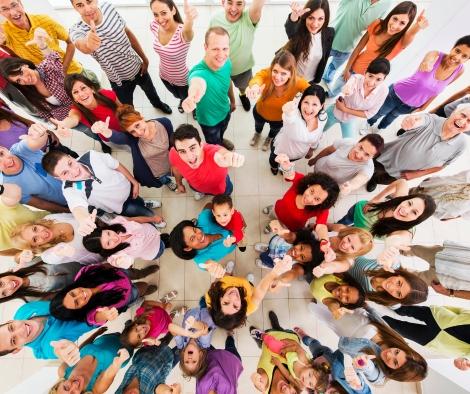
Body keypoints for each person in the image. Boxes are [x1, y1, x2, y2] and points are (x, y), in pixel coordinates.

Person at [69, 0, 171, 113]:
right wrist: (88, 44)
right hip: (118, 81)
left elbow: (127, 32)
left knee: (151, 91)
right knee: (128, 110)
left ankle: (158, 104)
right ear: (74, 8)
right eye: (80, 5)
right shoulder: (77, 30)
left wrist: (144, 59)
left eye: (89, 1)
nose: (88, 9)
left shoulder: (108, 8)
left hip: (137, 67)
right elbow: (81, 45)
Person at [41, 148, 160, 236]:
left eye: (70, 163)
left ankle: (144, 203)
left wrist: (134, 182)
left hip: (128, 189)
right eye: (65, 173)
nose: (74, 171)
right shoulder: (70, 190)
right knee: (141, 212)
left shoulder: (92, 156)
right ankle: (152, 218)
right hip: (122, 206)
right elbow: (76, 207)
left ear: (71, 157)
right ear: (59, 178)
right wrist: (83, 220)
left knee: (138, 200)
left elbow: (117, 165)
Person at [367, 36, 469, 132]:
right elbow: (428, 58)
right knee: (380, 112)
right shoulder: (436, 55)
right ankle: (369, 124)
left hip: (412, 106)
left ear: (467, 60)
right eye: (457, 51)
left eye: (464, 56)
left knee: (391, 117)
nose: (457, 57)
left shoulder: (459, 71)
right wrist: (426, 62)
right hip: (396, 94)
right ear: (453, 48)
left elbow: (438, 90)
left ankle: (379, 129)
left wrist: (425, 106)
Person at [329, 1, 428, 97]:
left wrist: (417, 26)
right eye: (395, 19)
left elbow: (411, 33)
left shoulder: (402, 41)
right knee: (334, 90)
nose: (395, 25)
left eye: (402, 23)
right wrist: (347, 68)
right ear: (391, 15)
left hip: (367, 80)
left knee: (347, 100)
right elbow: (359, 47)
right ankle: (329, 95)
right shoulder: (377, 24)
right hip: (353, 68)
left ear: (407, 25)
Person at [366, 107, 470, 192]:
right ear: (454, 112)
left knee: (381, 179)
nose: (463, 121)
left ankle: (374, 181)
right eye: (463, 115)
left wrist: (417, 174)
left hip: (400, 174)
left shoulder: (462, 144)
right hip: (385, 158)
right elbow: (420, 119)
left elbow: (443, 165)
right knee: (368, 169)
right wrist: (412, 120)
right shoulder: (432, 120)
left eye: (469, 121)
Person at [0, 28, 73, 121]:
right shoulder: (29, 92)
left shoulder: (47, 68)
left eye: (21, 72)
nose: (25, 80)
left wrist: (42, 45)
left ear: (24, 64)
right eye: (19, 80)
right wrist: (58, 125)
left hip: (82, 109)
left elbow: (52, 59)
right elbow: (45, 114)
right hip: (66, 122)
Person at [49, 264, 157, 326]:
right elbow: (96, 317)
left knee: (136, 273)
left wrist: (117, 263)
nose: (81, 295)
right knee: (143, 287)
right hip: (128, 295)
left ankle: (143, 272)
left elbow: (105, 266)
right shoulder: (90, 313)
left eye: (73, 293)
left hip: (121, 273)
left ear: (69, 289)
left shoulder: (84, 273)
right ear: (79, 310)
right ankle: (146, 290)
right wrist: (106, 315)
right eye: (77, 302)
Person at [335, 179, 436, 245]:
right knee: (342, 222)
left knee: (346, 235)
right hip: (358, 210)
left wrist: (393, 247)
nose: (406, 210)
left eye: (414, 212)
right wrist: (376, 198)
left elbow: (402, 238)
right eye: (409, 203)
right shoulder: (400, 200)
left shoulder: (404, 231)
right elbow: (402, 182)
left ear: (417, 219)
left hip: (362, 232)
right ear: (406, 199)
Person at [263, 155, 339, 242]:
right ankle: (270, 222)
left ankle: (271, 226)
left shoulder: (321, 209)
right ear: (309, 185)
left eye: (317, 199)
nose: (309, 199)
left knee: (278, 228)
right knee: (272, 217)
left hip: (291, 225)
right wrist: (286, 167)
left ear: (322, 203)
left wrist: (324, 241)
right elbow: (290, 175)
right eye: (311, 191)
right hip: (278, 209)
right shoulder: (300, 180)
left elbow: (321, 226)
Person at [205, 256, 293, 330]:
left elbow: (214, 276)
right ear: (241, 308)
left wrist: (212, 267)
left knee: (225, 276)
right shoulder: (249, 307)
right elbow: (261, 290)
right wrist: (275, 272)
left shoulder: (211, 297)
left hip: (225, 278)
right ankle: (248, 281)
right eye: (235, 306)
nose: (233, 297)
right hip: (247, 288)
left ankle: (228, 272)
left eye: (226, 302)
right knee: (248, 284)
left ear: (219, 299)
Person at [182, 26, 235, 149]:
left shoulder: (227, 62)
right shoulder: (199, 73)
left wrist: (232, 100)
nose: (221, 54)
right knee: (213, 142)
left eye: (225, 48)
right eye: (215, 49)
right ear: (205, 47)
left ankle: (221, 140)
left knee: (222, 131)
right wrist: (192, 95)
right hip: (209, 121)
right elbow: (197, 83)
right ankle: (217, 148)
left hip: (225, 110)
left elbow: (227, 81)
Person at [246, 50, 310, 151]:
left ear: (290, 74)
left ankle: (269, 138)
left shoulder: (298, 82)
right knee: (258, 126)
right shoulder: (267, 73)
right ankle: (257, 134)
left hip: (278, 119)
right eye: (275, 71)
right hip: (260, 111)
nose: (277, 77)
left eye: (283, 73)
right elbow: (258, 78)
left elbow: (312, 91)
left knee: (274, 131)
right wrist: (254, 87)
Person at [267, 225, 373, 286]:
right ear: (349, 233)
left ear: (356, 253)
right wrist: (321, 236)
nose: (346, 244)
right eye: (349, 239)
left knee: (301, 270)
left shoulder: (346, 263)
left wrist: (324, 267)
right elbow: (325, 226)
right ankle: (268, 250)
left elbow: (334, 267)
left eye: (352, 247)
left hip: (314, 263)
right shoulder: (340, 229)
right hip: (310, 243)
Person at [210, 0, 267, 112]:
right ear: (223, 2)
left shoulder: (249, 19)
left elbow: (257, 8)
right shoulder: (215, 19)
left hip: (242, 69)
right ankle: (230, 100)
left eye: (239, 3)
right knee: (225, 88)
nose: (234, 8)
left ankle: (242, 95)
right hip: (220, 69)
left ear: (244, 5)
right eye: (230, 3)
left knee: (243, 87)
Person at [322, 0, 394, 86]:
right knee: (317, 66)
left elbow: (377, 25)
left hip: (349, 48)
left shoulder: (387, 4)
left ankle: (325, 83)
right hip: (329, 41)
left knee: (332, 69)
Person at [0, 0, 83, 74]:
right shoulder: (4, 32)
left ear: (21, 3)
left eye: (14, 5)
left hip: (74, 71)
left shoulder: (45, 20)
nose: (13, 12)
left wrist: (62, 71)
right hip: (50, 82)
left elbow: (70, 43)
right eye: (4, 9)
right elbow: (16, 57)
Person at [0, 123, 68, 213]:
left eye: (1, 153)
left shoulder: (20, 150)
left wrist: (39, 134)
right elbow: (40, 203)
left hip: (78, 177)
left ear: (4, 148)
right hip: (67, 201)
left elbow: (36, 142)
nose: (7, 160)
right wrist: (67, 211)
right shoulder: (8, 187)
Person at [0, 300, 91, 363]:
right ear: (17, 349)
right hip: (98, 312)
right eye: (13, 340)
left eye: (11, 328)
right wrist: (64, 350)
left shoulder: (22, 311)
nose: (21, 330)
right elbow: (57, 350)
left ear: (10, 321)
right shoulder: (45, 349)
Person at [169, 124, 244, 200]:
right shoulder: (173, 153)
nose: (189, 157)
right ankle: (201, 192)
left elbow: (222, 153)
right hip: (195, 186)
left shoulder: (215, 155)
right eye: (182, 151)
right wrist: (179, 184)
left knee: (226, 195)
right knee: (197, 189)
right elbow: (176, 169)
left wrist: (229, 157)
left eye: (192, 148)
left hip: (221, 189)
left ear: (201, 145)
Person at [338, 322, 428, 384]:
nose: (389, 354)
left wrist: (364, 364)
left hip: (338, 327)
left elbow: (370, 371)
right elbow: (373, 316)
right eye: (396, 352)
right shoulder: (395, 339)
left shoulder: (378, 375)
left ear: (394, 372)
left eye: (395, 362)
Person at [324, 57, 390, 138]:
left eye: (378, 79)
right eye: (370, 76)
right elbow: (347, 89)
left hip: (349, 119)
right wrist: (347, 90)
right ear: (365, 72)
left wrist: (345, 109)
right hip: (335, 112)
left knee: (349, 143)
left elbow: (369, 114)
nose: (372, 83)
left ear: (384, 79)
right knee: (317, 131)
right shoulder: (356, 79)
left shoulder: (384, 91)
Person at [150, 0, 197, 113]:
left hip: (182, 79)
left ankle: (194, 109)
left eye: (164, 13)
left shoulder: (182, 33)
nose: (160, 19)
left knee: (189, 98)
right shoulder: (154, 25)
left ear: (173, 10)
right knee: (178, 96)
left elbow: (188, 32)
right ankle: (182, 100)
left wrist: (189, 20)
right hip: (164, 75)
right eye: (156, 14)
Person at [116, 104, 177, 192]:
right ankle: (167, 182)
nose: (139, 133)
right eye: (132, 131)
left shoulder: (164, 123)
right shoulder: (134, 139)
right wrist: (106, 132)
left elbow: (173, 144)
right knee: (163, 179)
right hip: (157, 171)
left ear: (141, 118)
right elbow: (117, 138)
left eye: (137, 125)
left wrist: (174, 162)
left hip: (171, 163)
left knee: (179, 174)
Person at [294, 326, 373, 394]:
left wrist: (309, 387)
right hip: (325, 358)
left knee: (305, 354)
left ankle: (306, 339)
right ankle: (305, 337)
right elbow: (366, 392)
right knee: (313, 344)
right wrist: (359, 386)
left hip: (312, 368)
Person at [250, 326, 328, 392]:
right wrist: (284, 350)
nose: (306, 379)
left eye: (310, 384)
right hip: (289, 349)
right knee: (272, 344)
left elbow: (289, 376)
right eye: (309, 374)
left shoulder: (301, 385)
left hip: (287, 358)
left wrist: (279, 364)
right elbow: (297, 348)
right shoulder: (303, 360)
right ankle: (262, 335)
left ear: (311, 388)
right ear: (310, 366)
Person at [270, 84, 327, 175]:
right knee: (273, 160)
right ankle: (274, 167)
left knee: (286, 165)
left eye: (315, 104)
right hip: (281, 150)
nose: (309, 108)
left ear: (321, 106)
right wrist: (288, 112)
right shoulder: (294, 115)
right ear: (301, 101)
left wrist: (312, 149)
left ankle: (282, 169)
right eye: (306, 102)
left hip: (299, 154)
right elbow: (289, 117)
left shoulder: (323, 117)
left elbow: (318, 135)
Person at [49, 333, 130, 394]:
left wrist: (95, 334)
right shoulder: (96, 389)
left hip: (106, 338)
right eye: (73, 393)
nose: (74, 385)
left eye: (66, 388)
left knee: (125, 331)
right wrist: (119, 361)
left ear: (58, 384)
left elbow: (79, 349)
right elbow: (110, 374)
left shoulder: (63, 370)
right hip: (126, 347)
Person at [10, 213, 102, 265]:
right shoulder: (48, 256)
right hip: (107, 251)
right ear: (35, 246)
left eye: (35, 229)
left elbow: (81, 216)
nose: (42, 233)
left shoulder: (50, 218)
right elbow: (94, 260)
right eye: (35, 239)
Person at [381, 305, 470, 358]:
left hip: (435, 341)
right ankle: (383, 299)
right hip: (438, 316)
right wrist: (443, 309)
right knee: (404, 309)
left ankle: (373, 317)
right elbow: (461, 311)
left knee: (398, 327)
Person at [309, 134, 384, 196]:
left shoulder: (368, 168)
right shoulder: (348, 142)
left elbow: (360, 179)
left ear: (372, 157)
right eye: (360, 148)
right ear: (358, 142)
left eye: (367, 154)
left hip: (327, 185)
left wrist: (350, 186)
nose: (359, 155)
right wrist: (315, 159)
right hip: (318, 169)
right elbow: (328, 150)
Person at [249, 310, 305, 393]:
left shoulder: (267, 387)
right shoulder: (296, 380)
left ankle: (260, 342)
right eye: (293, 393)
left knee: (263, 343)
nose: (287, 390)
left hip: (268, 341)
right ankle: (276, 326)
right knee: (279, 330)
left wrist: (257, 381)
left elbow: (258, 379)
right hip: (286, 337)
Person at [83, 216, 167, 269]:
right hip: (156, 250)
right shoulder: (117, 255)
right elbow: (124, 262)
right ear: (104, 250)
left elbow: (135, 220)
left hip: (151, 229)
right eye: (108, 243)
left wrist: (152, 219)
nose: (114, 238)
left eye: (108, 233)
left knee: (164, 237)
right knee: (166, 243)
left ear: (104, 229)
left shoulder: (116, 222)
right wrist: (120, 262)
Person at [169, 208, 236, 274]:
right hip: (232, 247)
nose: (199, 235)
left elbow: (209, 206)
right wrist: (213, 268)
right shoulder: (200, 260)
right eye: (192, 238)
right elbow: (207, 264)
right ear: (188, 248)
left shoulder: (205, 217)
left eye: (195, 230)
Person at [284, 0, 335, 84]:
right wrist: (294, 16)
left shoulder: (329, 33)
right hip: (292, 78)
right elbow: (291, 29)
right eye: (311, 18)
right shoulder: (299, 29)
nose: (315, 24)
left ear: (325, 18)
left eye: (320, 19)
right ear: (305, 16)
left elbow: (324, 58)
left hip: (311, 81)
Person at [401, 240, 470, 300]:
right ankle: (396, 248)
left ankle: (394, 268)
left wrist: (449, 293)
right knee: (414, 249)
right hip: (452, 255)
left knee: (407, 277)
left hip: (447, 279)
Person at [348, 256, 429, 307]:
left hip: (341, 274)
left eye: (398, 294)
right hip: (349, 255)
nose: (391, 287)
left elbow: (359, 297)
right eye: (399, 283)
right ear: (401, 275)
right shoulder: (392, 265)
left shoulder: (385, 300)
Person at [116, 334, 181, 394]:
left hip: (148, 352)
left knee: (168, 337)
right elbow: (159, 389)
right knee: (184, 346)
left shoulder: (121, 390)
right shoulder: (147, 391)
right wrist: (167, 391)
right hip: (167, 360)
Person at [119, 293, 183, 349]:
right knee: (170, 319)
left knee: (162, 305)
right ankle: (173, 314)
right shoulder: (149, 341)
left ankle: (164, 300)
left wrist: (162, 305)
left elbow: (146, 303)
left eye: (136, 329)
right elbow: (159, 345)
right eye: (139, 336)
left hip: (160, 308)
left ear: (135, 325)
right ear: (142, 341)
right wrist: (154, 342)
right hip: (165, 325)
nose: (142, 330)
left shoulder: (141, 314)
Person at [0, 260, 81, 303]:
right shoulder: (32, 299)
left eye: (1, 284)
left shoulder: (23, 262)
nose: (9, 287)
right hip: (85, 278)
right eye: (4, 293)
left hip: (84, 257)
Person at [0, 182, 47, 255]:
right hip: (52, 245)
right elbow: (12, 252)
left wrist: (2, 189)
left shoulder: (3, 207)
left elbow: (14, 192)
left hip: (55, 219)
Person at [175, 306, 217, 378]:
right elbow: (204, 328)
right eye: (194, 361)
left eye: (187, 362)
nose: (190, 359)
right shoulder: (204, 344)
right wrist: (194, 326)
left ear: (183, 355)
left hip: (192, 313)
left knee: (189, 313)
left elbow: (173, 328)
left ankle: (187, 311)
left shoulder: (181, 345)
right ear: (200, 355)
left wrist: (186, 333)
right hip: (209, 313)